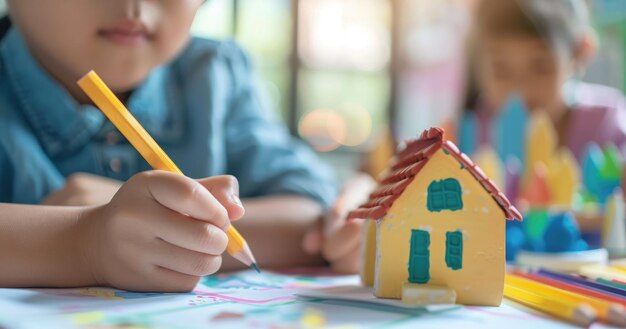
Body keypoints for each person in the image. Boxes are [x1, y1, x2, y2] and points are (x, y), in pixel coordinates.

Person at [0, 0, 369, 291]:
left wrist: (160, 230)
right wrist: (81, 241)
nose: (134, 6)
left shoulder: (213, 74)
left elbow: (315, 220)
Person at [463, 0, 626, 160]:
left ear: (579, 53)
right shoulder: (474, 130)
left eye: (541, 66)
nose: (521, 88)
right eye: (501, 69)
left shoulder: (608, 123)